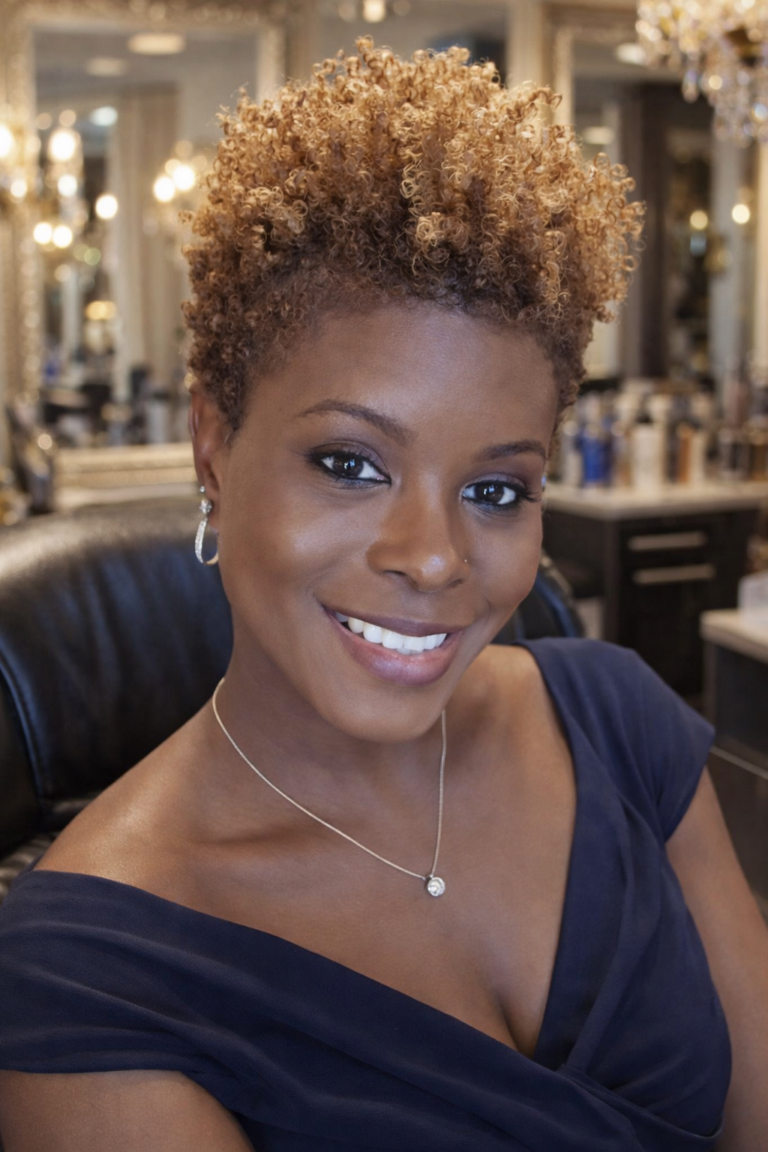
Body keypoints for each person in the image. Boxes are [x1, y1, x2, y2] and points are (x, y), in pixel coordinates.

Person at [0, 40, 767, 1152]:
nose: (435, 558)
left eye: (496, 489)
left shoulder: (619, 722)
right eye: (351, 464)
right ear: (214, 446)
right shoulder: (89, 979)